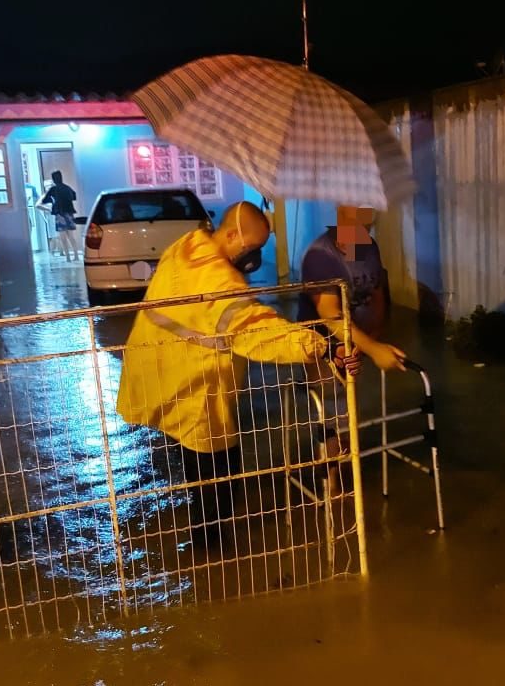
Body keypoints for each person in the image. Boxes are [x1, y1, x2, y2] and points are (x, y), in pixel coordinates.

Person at [116, 200, 360, 546]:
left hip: (157, 366)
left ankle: (207, 542)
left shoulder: (188, 244)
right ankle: (213, 550)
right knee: (218, 471)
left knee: (198, 463)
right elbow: (256, 332)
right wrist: (319, 346)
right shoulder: (220, 280)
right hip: (195, 382)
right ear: (231, 234)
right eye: (252, 248)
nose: (253, 258)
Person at [297, 205, 406, 491]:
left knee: (349, 407)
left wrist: (372, 337)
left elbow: (378, 294)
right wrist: (371, 348)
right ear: (341, 213)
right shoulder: (320, 257)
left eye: (369, 224)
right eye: (359, 221)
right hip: (321, 342)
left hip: (359, 338)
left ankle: (345, 455)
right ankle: (330, 473)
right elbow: (330, 315)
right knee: (330, 407)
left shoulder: (369, 247)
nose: (365, 231)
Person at [39, 171, 79, 261]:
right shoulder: (67, 188)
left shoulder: (54, 189)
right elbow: (74, 196)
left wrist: (53, 201)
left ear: (53, 179)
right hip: (69, 213)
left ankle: (68, 257)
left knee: (63, 237)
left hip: (59, 214)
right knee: (71, 236)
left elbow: (44, 200)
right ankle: (76, 255)